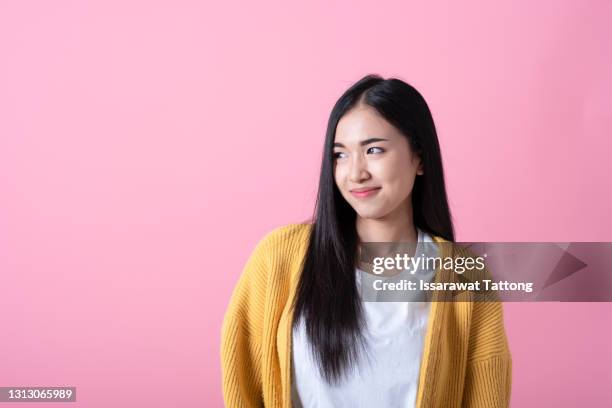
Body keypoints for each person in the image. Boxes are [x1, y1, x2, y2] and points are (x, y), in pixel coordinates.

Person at [220, 74, 512, 407]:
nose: (355, 172)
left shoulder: (467, 277)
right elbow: (242, 377)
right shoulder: (279, 258)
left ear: (419, 158)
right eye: (340, 155)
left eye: (373, 150)